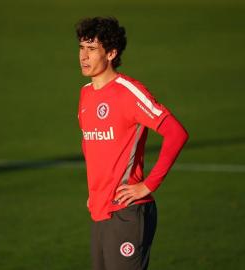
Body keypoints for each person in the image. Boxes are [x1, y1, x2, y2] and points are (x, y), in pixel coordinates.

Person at [76, 17, 189, 270]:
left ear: (111, 53)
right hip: (100, 209)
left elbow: (176, 133)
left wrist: (148, 185)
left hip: (128, 211)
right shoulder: (85, 94)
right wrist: (95, 192)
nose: (84, 56)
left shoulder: (129, 92)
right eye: (82, 48)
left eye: (92, 49)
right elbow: (90, 145)